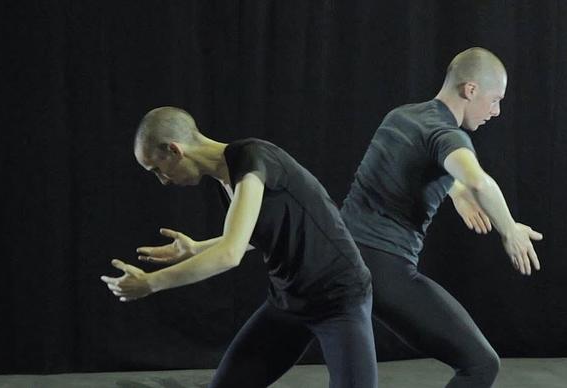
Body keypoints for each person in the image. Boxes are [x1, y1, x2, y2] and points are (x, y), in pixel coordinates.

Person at [100, 107, 377, 388]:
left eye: (157, 169)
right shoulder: (227, 177)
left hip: (339, 299)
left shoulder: (252, 160)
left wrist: (150, 283)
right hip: (289, 302)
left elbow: (230, 254)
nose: (162, 179)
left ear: (174, 150)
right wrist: (196, 249)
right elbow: (251, 236)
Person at [340, 47, 543, 387]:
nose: (496, 111)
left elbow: (417, 165)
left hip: (337, 256)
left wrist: (456, 193)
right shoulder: (449, 134)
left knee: (268, 349)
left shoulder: (401, 116)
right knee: (480, 364)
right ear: (471, 89)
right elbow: (479, 179)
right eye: (495, 100)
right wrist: (509, 229)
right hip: (383, 269)